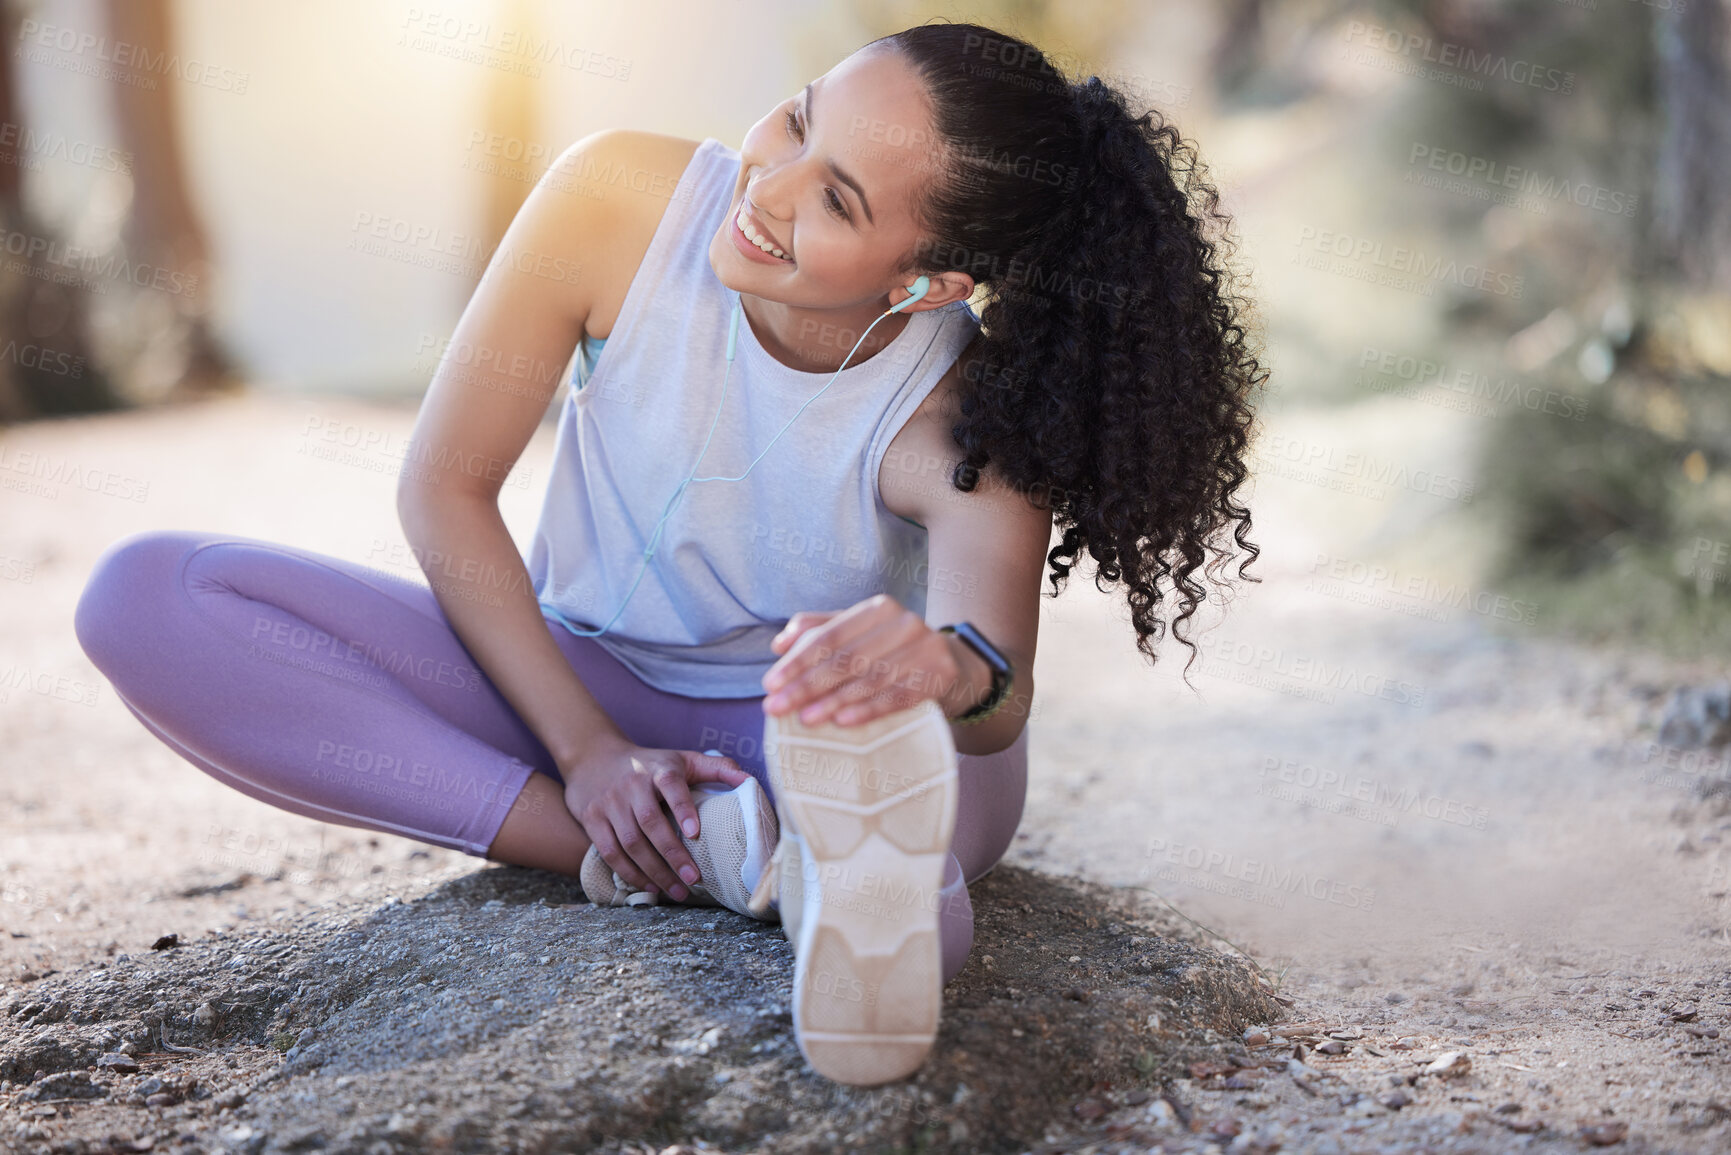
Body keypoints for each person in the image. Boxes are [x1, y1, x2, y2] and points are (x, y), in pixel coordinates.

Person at [72, 20, 1266, 1087]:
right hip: (571, 677)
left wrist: (936, 669)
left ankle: (797, 862)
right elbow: (447, 487)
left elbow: (995, 692)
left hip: (819, 732)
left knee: (914, 884)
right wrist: (589, 755)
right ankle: (711, 859)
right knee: (149, 597)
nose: (769, 182)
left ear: (932, 278)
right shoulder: (618, 203)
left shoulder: (965, 412)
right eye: (799, 116)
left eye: (838, 199)